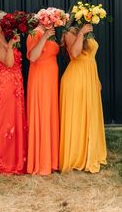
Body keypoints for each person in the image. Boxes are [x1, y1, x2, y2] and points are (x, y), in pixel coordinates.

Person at [59, 23, 107, 173]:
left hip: (90, 77)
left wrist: (97, 78)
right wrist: (81, 33)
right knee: (77, 116)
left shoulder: (89, 35)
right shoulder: (69, 33)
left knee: (90, 115)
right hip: (76, 79)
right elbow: (74, 54)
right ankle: (75, 156)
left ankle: (89, 153)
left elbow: (92, 57)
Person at [0, 22, 27, 174]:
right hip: (4, 87)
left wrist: (11, 44)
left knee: (16, 122)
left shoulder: (5, 40)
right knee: (5, 124)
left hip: (15, 86)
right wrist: (11, 46)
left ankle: (16, 159)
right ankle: (4, 161)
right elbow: (9, 62)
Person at [26, 26, 59, 175]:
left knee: (50, 115)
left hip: (51, 79)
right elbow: (33, 57)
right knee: (42, 114)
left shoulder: (50, 33)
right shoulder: (35, 33)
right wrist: (44, 37)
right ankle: (41, 161)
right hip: (40, 78)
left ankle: (51, 160)